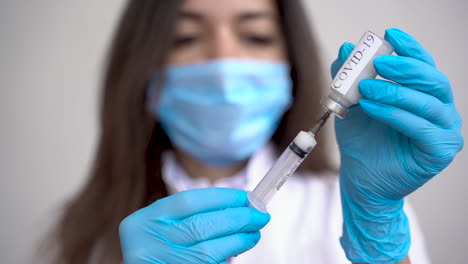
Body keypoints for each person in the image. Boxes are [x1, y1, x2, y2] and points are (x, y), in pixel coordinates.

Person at [46, 0, 464, 263]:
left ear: (290, 63)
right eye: (185, 36)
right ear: (143, 70)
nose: (225, 60)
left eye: (255, 35)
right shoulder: (90, 228)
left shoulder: (351, 205)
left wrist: (378, 236)